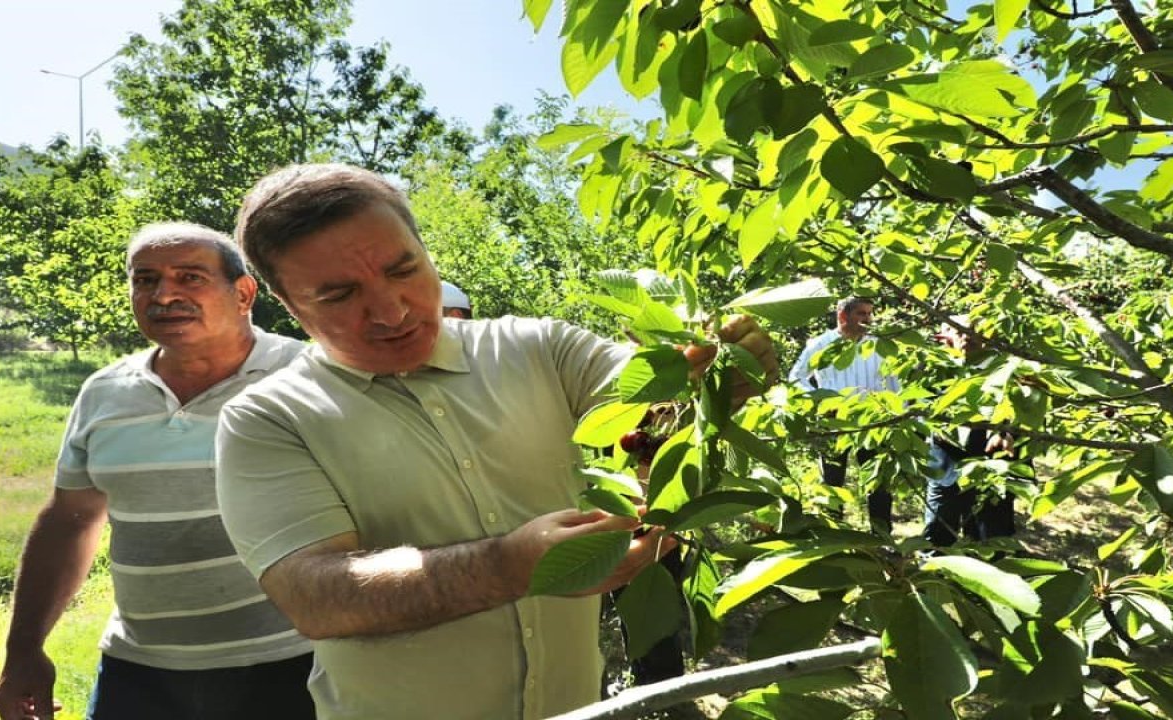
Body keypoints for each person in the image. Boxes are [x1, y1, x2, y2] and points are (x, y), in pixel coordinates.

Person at [214, 163, 779, 720]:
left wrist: (717, 375)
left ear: (424, 248)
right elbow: (314, 596)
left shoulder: (539, 350)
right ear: (285, 304)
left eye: (404, 268)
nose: (391, 310)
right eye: (338, 295)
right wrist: (510, 567)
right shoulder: (266, 419)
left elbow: (657, 407)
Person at [0, 223, 313, 720]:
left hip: (290, 664)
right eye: (146, 280)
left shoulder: (309, 377)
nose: (164, 295)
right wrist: (23, 650)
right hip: (138, 673)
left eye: (190, 277)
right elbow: (68, 521)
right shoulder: (105, 392)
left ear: (244, 292)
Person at [788, 296, 900, 533]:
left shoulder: (879, 344)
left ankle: (881, 537)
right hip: (834, 421)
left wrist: (897, 414)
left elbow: (893, 380)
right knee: (832, 481)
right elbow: (795, 378)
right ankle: (832, 535)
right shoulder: (821, 344)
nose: (868, 319)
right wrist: (821, 400)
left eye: (870, 314)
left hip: (875, 421)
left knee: (878, 481)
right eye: (861, 314)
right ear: (842, 316)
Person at [923, 320, 1018, 546]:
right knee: (937, 536)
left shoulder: (1009, 370)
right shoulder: (935, 370)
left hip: (994, 468)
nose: (967, 337)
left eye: (975, 332)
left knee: (991, 539)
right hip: (946, 467)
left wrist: (1008, 432)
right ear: (948, 337)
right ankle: (934, 578)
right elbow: (923, 410)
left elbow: (1027, 411)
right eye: (960, 332)